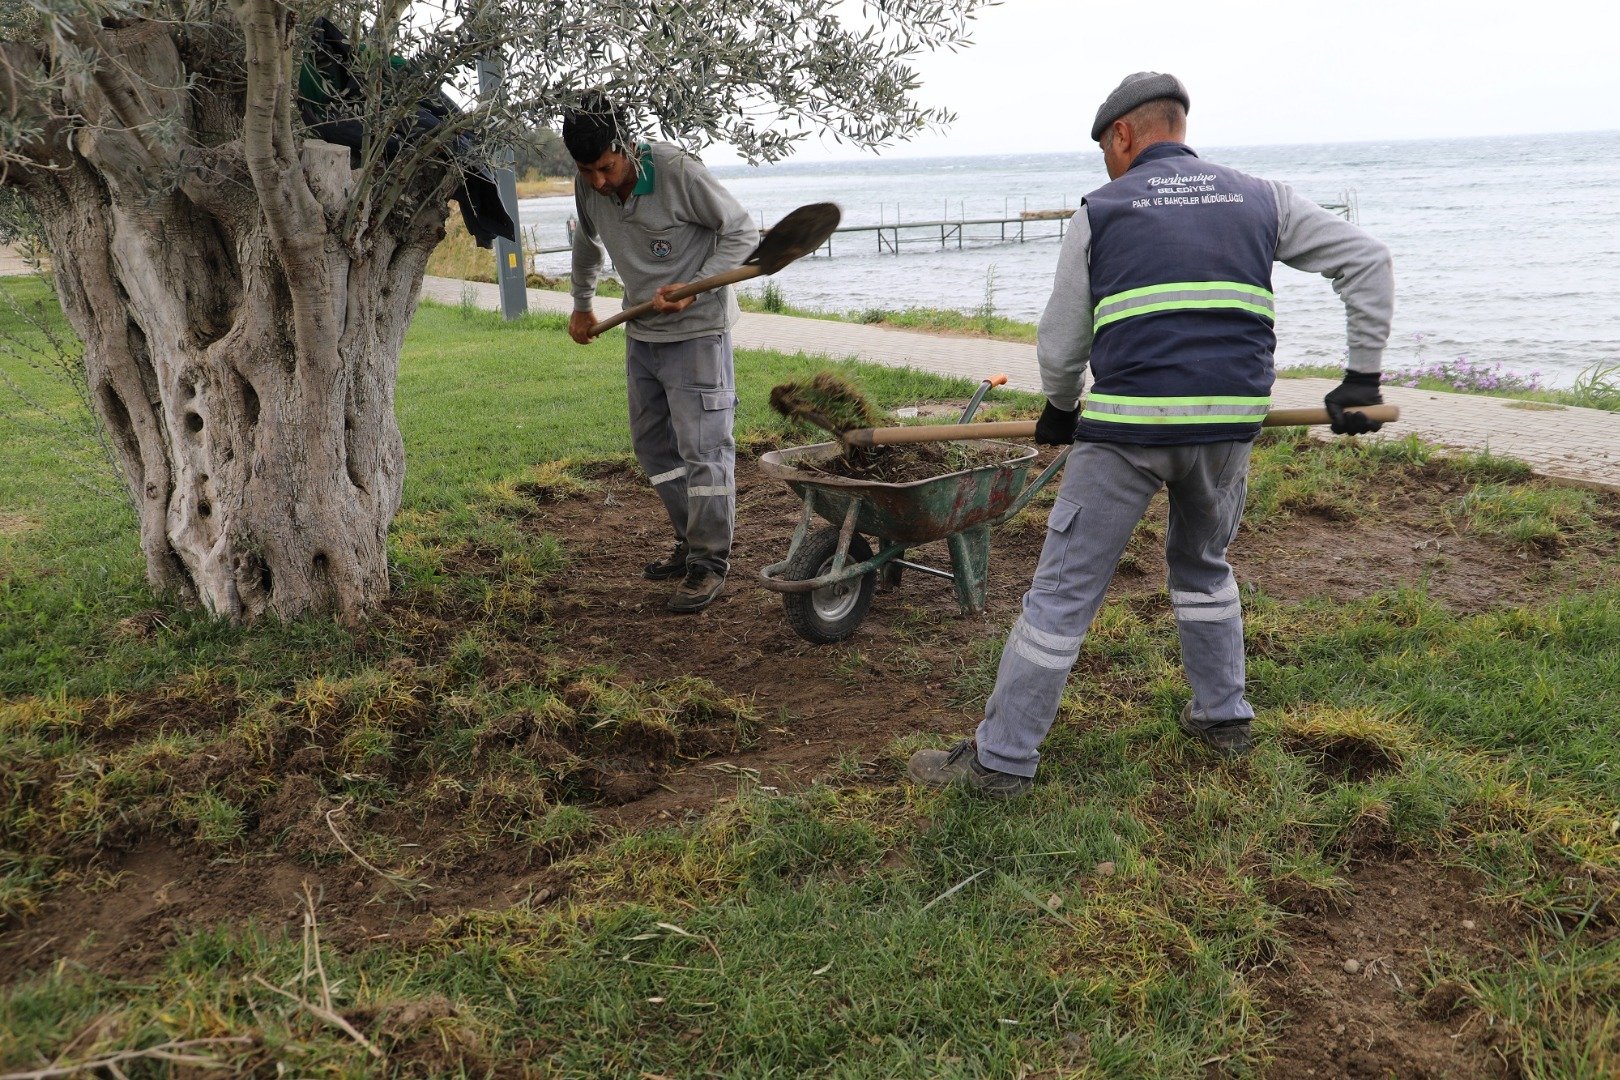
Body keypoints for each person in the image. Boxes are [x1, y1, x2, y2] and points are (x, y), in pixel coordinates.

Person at [909, 72, 1394, 796]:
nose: (1107, 163)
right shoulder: (1263, 197)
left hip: (1127, 433)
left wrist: (1061, 406)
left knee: (1062, 594)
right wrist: (1361, 378)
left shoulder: (1103, 209)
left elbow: (1062, 334)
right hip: (1229, 429)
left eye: (1106, 148)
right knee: (1203, 564)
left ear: (1125, 135)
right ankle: (1223, 717)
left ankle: (1000, 762)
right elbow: (1367, 260)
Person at [562, 95, 757, 613]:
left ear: (626, 145)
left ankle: (710, 562)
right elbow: (587, 243)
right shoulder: (588, 187)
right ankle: (690, 540)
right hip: (641, 334)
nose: (598, 181)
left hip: (697, 334)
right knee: (653, 448)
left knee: (705, 451)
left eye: (605, 166)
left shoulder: (676, 171)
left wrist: (695, 285)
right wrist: (582, 304)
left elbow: (742, 231)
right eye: (587, 171)